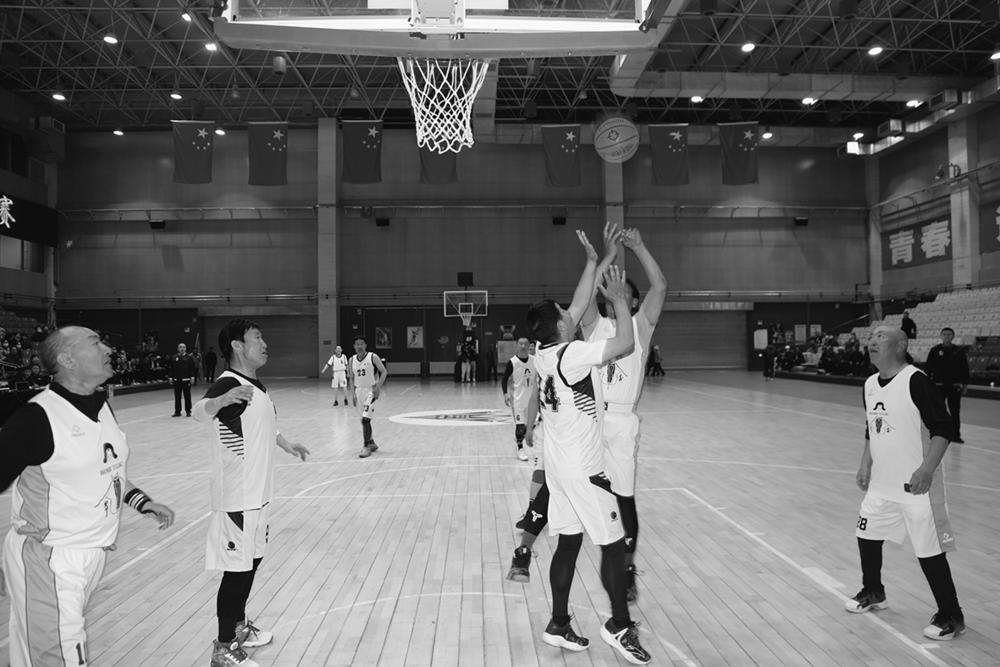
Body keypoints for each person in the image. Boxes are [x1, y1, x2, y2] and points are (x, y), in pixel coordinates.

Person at [0, 326, 175, 667]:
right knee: (62, 657)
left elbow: (107, 469)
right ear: (67, 360)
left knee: (31, 653)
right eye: (95, 343)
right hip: (48, 558)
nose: (108, 348)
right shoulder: (37, 419)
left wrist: (141, 501)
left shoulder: (101, 406)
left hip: (91, 553)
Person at [521, 262, 650, 664]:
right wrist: (619, 302)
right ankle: (619, 626)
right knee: (612, 544)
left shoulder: (544, 354)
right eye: (564, 313)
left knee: (569, 541)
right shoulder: (573, 354)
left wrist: (594, 262)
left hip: (558, 469)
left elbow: (576, 307)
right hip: (584, 469)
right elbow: (624, 342)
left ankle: (558, 622)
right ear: (561, 326)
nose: (570, 312)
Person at [193, 319, 310, 667]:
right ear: (237, 345)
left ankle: (239, 626)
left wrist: (285, 443)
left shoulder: (254, 386)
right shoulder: (229, 383)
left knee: (251, 562)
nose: (264, 343)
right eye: (256, 337)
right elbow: (199, 412)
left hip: (258, 495)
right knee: (237, 570)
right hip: (238, 496)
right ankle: (223, 647)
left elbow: (263, 425)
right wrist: (220, 400)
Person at [847, 326, 964, 641]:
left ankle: (952, 615)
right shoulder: (870, 384)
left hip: (917, 487)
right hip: (882, 485)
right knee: (867, 535)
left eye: (881, 337)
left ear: (901, 345)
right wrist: (865, 463)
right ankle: (874, 591)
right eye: (871, 337)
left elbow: (943, 429)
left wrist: (927, 469)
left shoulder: (916, 381)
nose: (872, 341)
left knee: (929, 551)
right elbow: (872, 428)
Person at [581, 226, 667, 604]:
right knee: (572, 490)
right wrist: (609, 256)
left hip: (620, 422)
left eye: (625, 291)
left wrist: (641, 247)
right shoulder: (594, 326)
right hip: (588, 419)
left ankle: (626, 569)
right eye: (612, 287)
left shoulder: (640, 327)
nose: (617, 291)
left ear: (633, 302)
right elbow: (585, 293)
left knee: (624, 497)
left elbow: (660, 286)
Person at [923, 327, 970, 444]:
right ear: (941, 336)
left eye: (949, 334)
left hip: (954, 386)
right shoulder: (935, 350)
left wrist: (965, 385)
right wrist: (926, 384)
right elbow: (928, 368)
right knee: (938, 411)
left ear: (953, 336)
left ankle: (955, 435)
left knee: (955, 411)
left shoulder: (959, 351)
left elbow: (965, 369)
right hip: (938, 386)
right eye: (944, 334)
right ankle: (938, 434)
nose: (946, 336)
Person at [348, 336, 388, 458]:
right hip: (358, 391)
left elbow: (384, 372)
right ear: (354, 346)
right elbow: (351, 378)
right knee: (363, 419)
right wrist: (353, 394)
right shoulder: (351, 360)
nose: (359, 346)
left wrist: (378, 387)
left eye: (362, 344)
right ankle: (371, 442)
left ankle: (366, 447)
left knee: (366, 419)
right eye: (357, 344)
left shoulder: (372, 357)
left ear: (365, 345)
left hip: (370, 391)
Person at [501, 337, 536, 461]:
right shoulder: (513, 362)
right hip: (518, 400)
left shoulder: (534, 360)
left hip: (532, 400)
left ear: (529, 345)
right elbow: (504, 379)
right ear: (517, 345)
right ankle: (520, 448)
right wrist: (505, 393)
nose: (523, 346)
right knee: (520, 426)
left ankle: (519, 437)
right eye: (520, 344)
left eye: (525, 344)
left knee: (533, 426)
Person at [170, 342, 198, 417]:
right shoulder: (174, 357)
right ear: (177, 349)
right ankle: (177, 411)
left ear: (185, 349)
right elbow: (171, 368)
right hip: (177, 380)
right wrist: (171, 377)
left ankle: (188, 411)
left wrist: (192, 377)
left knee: (187, 396)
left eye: (183, 347)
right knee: (177, 396)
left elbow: (192, 368)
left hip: (186, 380)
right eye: (180, 347)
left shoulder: (189, 357)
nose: (182, 349)